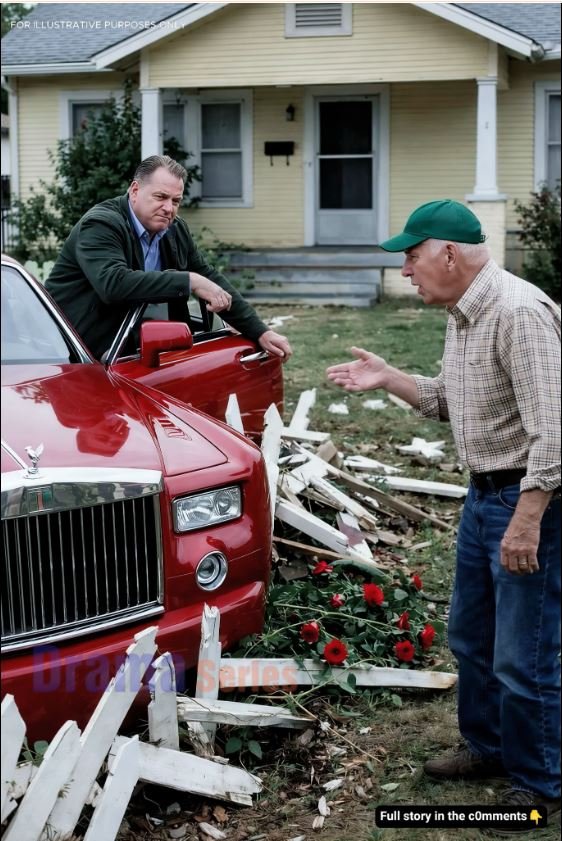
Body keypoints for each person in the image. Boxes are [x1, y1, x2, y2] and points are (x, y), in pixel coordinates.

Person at [327, 199, 561, 833]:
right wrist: (388, 378)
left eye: (412, 256)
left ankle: (539, 782)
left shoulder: (519, 314)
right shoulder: (463, 314)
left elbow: (554, 432)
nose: (405, 270)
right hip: (483, 498)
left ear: (449, 254)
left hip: (526, 502)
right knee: (471, 636)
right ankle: (488, 748)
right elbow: (446, 400)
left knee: (524, 653)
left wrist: (528, 520)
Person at [46, 155, 292, 362]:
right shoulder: (101, 224)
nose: (169, 208)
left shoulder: (175, 230)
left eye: (176, 201)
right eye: (160, 197)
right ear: (135, 190)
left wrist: (260, 332)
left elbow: (209, 278)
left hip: (123, 354)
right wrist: (189, 281)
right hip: (69, 354)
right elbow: (113, 284)